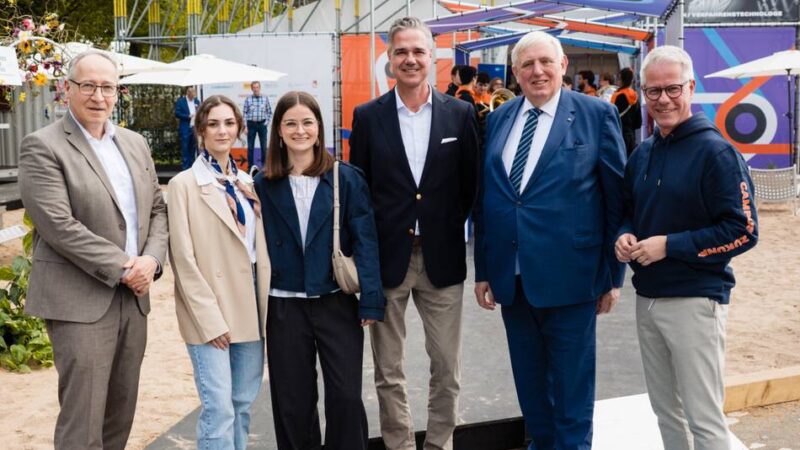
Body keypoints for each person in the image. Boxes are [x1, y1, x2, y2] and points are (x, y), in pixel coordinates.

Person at [473, 31, 626, 450]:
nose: (537, 71)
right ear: (515, 72)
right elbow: (489, 198)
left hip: (573, 279)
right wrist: (484, 269)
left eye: (545, 62)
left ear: (563, 65)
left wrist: (613, 276)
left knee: (572, 390)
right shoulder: (500, 118)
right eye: (527, 64)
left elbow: (616, 199)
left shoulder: (597, 115)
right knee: (531, 388)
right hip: (513, 280)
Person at [18, 50, 168, 450]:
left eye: (107, 87)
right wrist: (126, 266)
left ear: (117, 93)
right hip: (79, 300)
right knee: (82, 424)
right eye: (88, 85)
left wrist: (152, 261)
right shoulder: (42, 146)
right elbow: (59, 226)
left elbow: (157, 208)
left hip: (133, 299)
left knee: (120, 414)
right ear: (67, 89)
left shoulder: (135, 144)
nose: (98, 96)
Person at [615, 45, 759, 450]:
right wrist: (623, 235)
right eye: (653, 91)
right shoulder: (644, 152)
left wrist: (670, 246)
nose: (663, 99)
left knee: (704, 420)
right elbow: (628, 212)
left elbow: (744, 230)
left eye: (672, 89)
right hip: (648, 298)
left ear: (690, 88)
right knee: (666, 412)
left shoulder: (717, 153)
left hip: (695, 301)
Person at [349, 16, 479, 450]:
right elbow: (361, 191)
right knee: (388, 369)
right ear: (389, 57)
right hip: (388, 260)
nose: (410, 59)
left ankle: (439, 444)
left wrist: (444, 225)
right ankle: (399, 444)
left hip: (443, 258)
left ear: (432, 56)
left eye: (418, 51)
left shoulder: (460, 114)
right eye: (401, 51)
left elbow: (470, 187)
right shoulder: (368, 117)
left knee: (447, 366)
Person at [254, 91, 385, 450]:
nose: (300, 130)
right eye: (291, 123)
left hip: (335, 300)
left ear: (319, 128)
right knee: (292, 402)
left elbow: (366, 240)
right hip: (284, 305)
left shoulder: (346, 178)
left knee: (345, 397)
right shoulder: (262, 184)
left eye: (307, 122)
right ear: (278, 131)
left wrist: (371, 299)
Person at [167, 95, 270, 450]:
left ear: (240, 128)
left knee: (241, 404)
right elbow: (183, 259)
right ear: (200, 130)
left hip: (250, 306)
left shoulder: (247, 184)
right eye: (213, 124)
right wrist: (210, 319)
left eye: (228, 123)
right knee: (219, 408)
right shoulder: (183, 185)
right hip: (208, 307)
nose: (222, 130)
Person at [611, 67, 643, 156]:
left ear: (621, 79)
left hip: (619, 136)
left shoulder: (618, 96)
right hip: (631, 138)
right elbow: (638, 122)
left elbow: (612, 117)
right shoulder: (635, 96)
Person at [243, 80, 273, 171]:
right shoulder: (248, 99)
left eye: (257, 87)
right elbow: (244, 113)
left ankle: (264, 167)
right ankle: (250, 168)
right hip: (251, 125)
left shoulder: (265, 98)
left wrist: (266, 123)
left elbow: (269, 112)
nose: (256, 89)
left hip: (262, 125)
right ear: (252, 89)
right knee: (250, 147)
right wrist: (245, 126)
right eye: (254, 87)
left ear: (259, 88)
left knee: (263, 147)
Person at [176, 86, 200, 169]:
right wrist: (188, 116)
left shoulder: (197, 101)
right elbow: (177, 113)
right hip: (185, 128)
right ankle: (185, 168)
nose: (193, 98)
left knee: (193, 148)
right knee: (185, 148)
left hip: (194, 128)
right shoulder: (181, 101)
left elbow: (201, 111)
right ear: (188, 94)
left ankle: (192, 168)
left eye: (194, 96)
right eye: (192, 96)